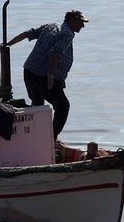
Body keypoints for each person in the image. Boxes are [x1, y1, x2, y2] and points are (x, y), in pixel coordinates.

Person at [7, 10, 88, 139]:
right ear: (73, 20)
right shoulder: (67, 33)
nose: (83, 26)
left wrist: (5, 45)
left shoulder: (51, 26)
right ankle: (51, 138)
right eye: (81, 22)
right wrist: (50, 74)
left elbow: (27, 33)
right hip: (43, 75)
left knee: (38, 106)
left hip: (29, 70)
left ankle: (36, 137)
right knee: (63, 106)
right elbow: (54, 52)